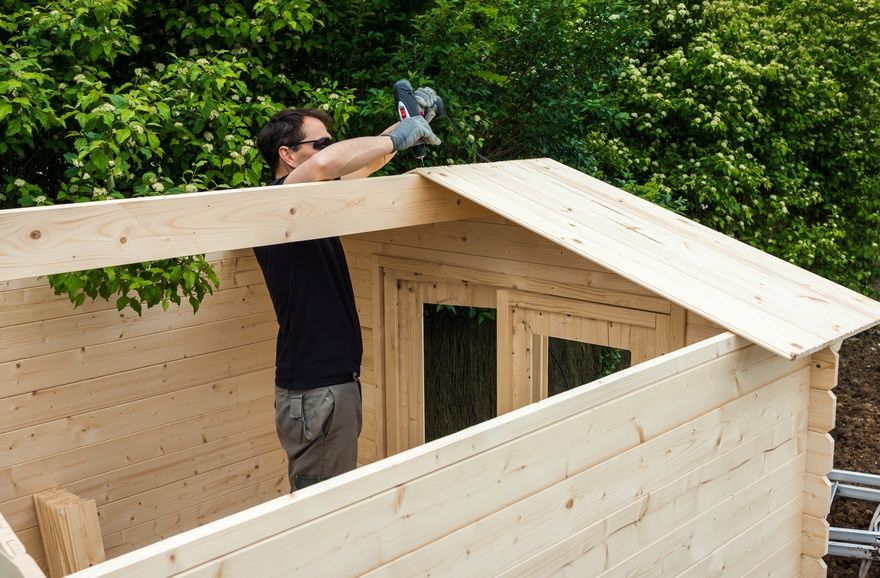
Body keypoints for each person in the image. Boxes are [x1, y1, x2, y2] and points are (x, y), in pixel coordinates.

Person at [254, 94, 441, 491]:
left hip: (328, 387)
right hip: (315, 391)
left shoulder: (314, 200)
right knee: (321, 509)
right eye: (321, 142)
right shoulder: (274, 203)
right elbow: (328, 163)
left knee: (328, 499)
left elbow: (367, 160)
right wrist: (398, 138)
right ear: (287, 155)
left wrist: (406, 125)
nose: (330, 149)